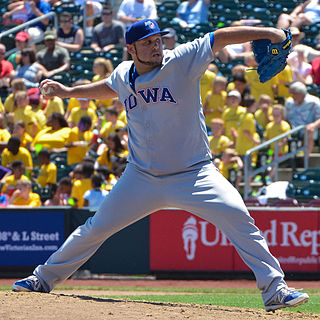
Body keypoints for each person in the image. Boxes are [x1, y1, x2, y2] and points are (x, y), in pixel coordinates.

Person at [13, 19, 309, 312]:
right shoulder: (123, 73)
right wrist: (67, 93)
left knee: (238, 217)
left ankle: (274, 290)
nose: (156, 46)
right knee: (94, 228)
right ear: (131, 49)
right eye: (147, 43)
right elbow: (107, 87)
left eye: (158, 40)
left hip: (195, 173)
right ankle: (42, 279)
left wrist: (271, 33)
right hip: (141, 177)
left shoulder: (181, 59)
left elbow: (220, 37)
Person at [285, 81, 320, 155]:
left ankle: (305, 160)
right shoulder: (289, 102)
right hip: (291, 129)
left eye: (294, 94)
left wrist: (313, 125)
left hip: (308, 129)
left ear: (301, 94)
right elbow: (285, 119)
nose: (292, 96)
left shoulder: (314, 102)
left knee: (309, 131)